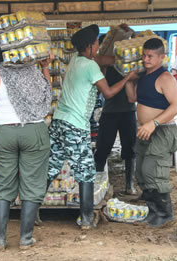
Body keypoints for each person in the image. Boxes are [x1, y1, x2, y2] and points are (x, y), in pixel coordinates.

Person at [47, 24, 138, 230]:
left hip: (59, 121)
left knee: (51, 168)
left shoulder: (77, 60)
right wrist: (127, 78)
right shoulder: (90, 66)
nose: (98, 45)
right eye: (96, 42)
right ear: (89, 46)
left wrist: (125, 42)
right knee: (86, 171)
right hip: (75, 125)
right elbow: (108, 92)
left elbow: (108, 58)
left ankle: (32, 211)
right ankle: (86, 218)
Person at [0, 29, 52, 250]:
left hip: (4, 132)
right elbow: (48, 94)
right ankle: (25, 238)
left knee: (3, 186)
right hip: (33, 132)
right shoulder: (32, 72)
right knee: (31, 186)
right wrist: (45, 66)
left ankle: (0, 239)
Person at [126, 38, 177, 227]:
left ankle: (165, 214)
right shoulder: (144, 76)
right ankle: (153, 211)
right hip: (145, 130)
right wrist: (128, 79)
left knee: (153, 172)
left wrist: (153, 123)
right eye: (144, 55)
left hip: (161, 130)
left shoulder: (165, 77)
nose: (146, 59)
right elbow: (132, 98)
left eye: (150, 56)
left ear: (161, 57)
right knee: (141, 172)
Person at [93, 65, 137, 195]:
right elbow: (100, 90)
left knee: (130, 149)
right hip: (109, 111)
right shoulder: (108, 64)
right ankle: (98, 184)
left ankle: (129, 185)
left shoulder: (131, 64)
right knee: (102, 149)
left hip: (128, 111)